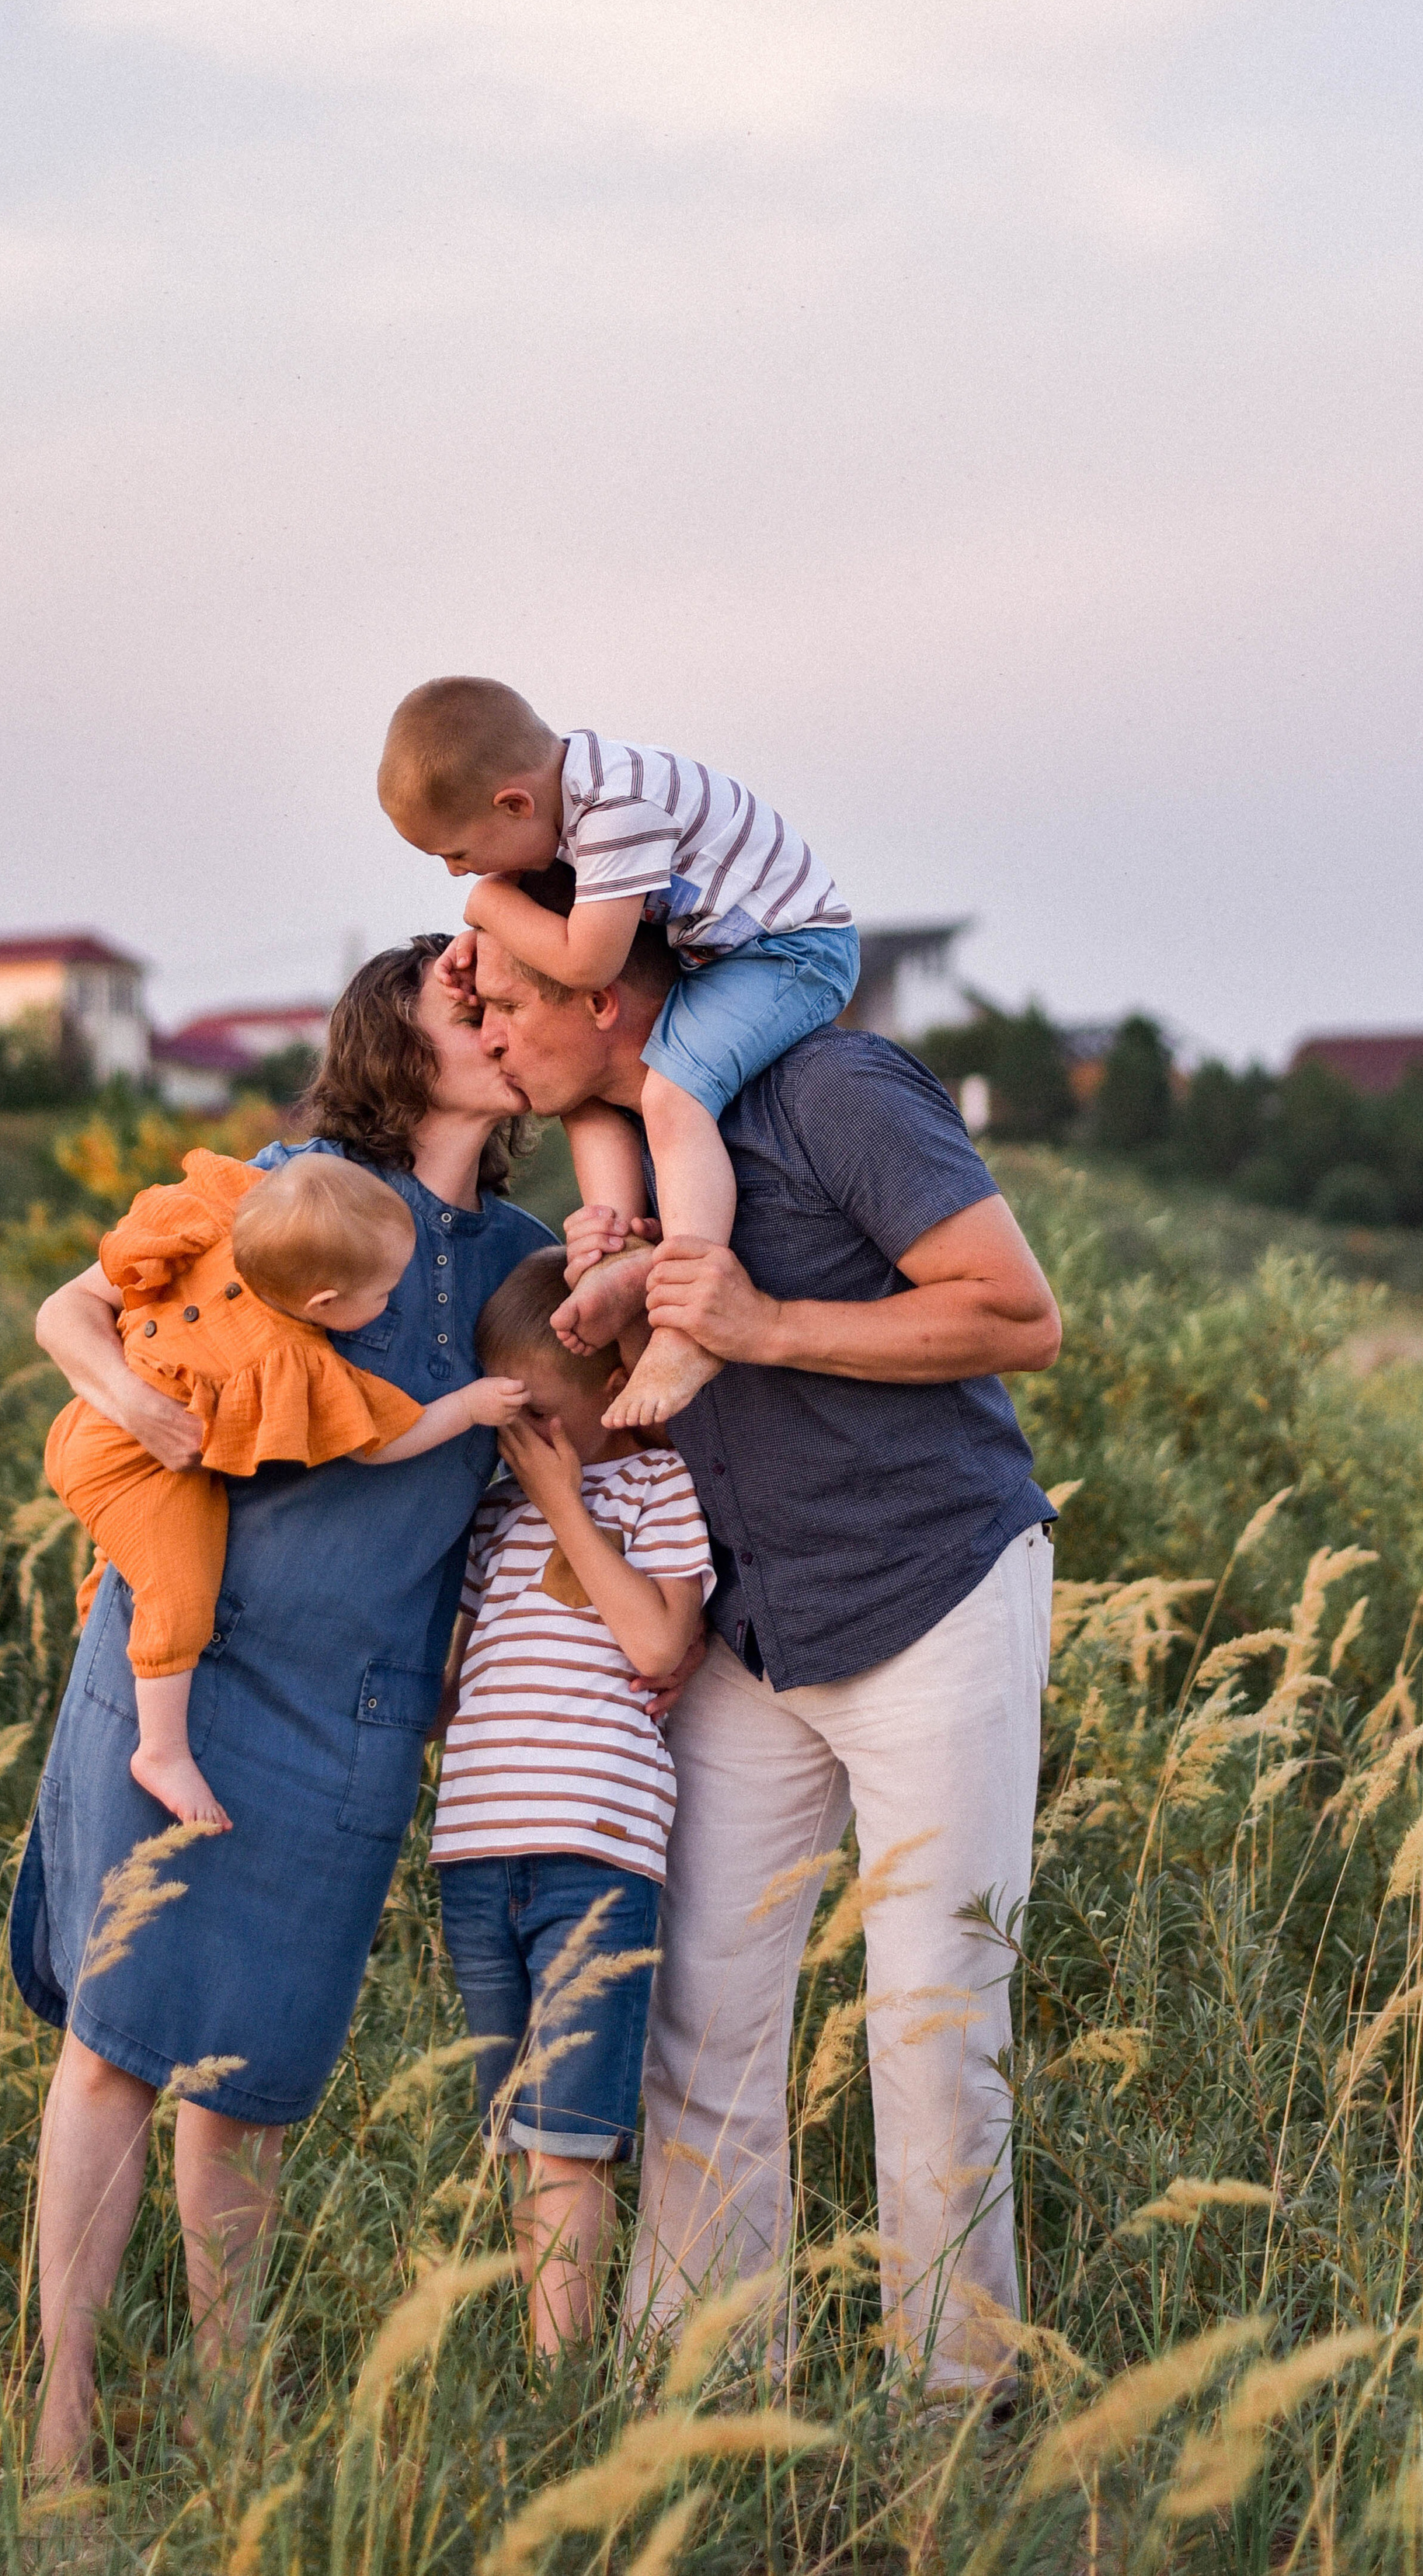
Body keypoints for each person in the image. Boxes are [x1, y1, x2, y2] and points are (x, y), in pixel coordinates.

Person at [464, 906, 1063, 2400]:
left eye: (506, 1013)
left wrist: (766, 1319)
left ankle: (957, 2413)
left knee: (932, 2029)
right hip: (748, 1623)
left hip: (930, 1591)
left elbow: (1018, 1314)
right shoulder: (622, 1154)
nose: (487, 1043)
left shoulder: (831, 1091)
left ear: (604, 999)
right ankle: (711, 2398)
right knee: (700, 2019)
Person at [9, 939, 551, 2478]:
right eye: (476, 1005)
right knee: (118, 2043)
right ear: (400, 1033)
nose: (508, 1022)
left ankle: (223, 2400)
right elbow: (75, 1311)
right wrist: (132, 1406)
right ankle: (54, 2424)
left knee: (243, 2074)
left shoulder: (521, 1248)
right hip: (188, 1661)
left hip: (357, 1704)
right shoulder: (294, 1182)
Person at [377, 677, 859, 1430]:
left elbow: (588, 963)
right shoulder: (565, 794)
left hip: (790, 952)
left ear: (514, 803)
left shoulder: (616, 812)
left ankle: (688, 1320)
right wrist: (488, 943)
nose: (457, 874)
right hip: (718, 955)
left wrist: (489, 907)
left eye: (459, 852)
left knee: (671, 1095)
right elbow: (553, 913)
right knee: (584, 1088)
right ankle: (613, 1245)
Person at [46, 1146, 526, 1827]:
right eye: (384, 1295)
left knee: (142, 1555)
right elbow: (381, 1440)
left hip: (92, 1421)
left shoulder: (224, 1222)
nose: (392, 1301)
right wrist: (470, 1407)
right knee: (182, 1586)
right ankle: (160, 1749)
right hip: (133, 1462)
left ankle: (108, 1616)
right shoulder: (289, 1357)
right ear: (323, 1302)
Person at [430, 1248, 714, 2351]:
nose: (516, 1437)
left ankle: (560, 2381)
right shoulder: (496, 1514)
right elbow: (453, 1681)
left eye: (534, 1411)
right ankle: (537, 2357)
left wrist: (561, 1499)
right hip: (477, 1852)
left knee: (569, 2135)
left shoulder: (657, 1486)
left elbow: (655, 1639)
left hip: (595, 1852)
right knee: (516, 2124)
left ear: (608, 1388)